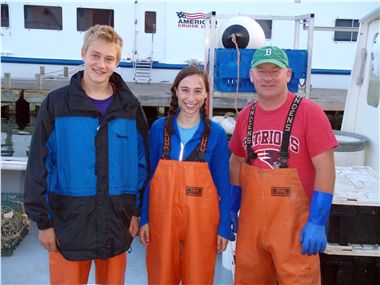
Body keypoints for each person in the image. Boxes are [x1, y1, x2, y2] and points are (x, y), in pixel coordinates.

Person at [24, 25, 149, 284]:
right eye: (95, 55)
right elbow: (39, 165)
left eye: (109, 58)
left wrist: (136, 212)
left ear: (117, 61)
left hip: (116, 222)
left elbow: (141, 164)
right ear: (83, 54)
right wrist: (44, 222)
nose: (100, 64)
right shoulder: (57, 104)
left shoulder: (129, 107)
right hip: (67, 225)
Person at [229, 45, 338, 284]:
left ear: (287, 74)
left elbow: (326, 168)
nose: (268, 77)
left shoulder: (310, 113)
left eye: (275, 71)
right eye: (261, 71)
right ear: (251, 76)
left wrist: (317, 221)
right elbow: (236, 161)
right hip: (251, 229)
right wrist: (231, 205)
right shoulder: (245, 115)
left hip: (294, 231)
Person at [139, 66, 235, 284]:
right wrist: (145, 218)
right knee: (161, 276)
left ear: (206, 95)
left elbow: (223, 186)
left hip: (201, 222)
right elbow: (149, 178)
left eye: (197, 91)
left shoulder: (216, 134)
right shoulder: (158, 129)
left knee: (198, 277)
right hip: (162, 219)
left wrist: (223, 228)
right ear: (175, 92)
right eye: (185, 90)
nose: (191, 98)